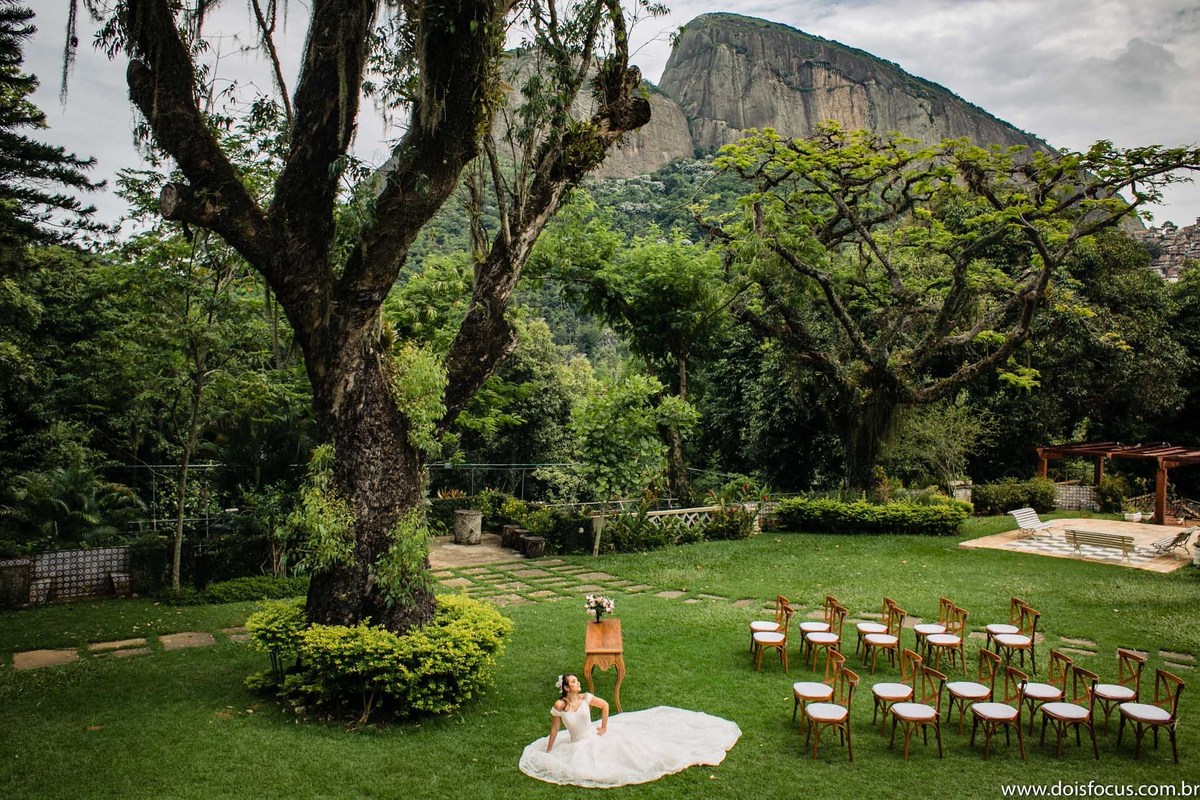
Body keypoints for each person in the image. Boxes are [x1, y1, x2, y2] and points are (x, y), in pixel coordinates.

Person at [518, 673, 741, 788]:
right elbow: (555, 728)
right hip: (575, 741)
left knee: (631, 754)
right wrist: (549, 749)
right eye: (574, 682)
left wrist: (604, 726)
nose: (578, 683)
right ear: (566, 687)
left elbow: (605, 706)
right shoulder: (560, 706)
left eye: (577, 681)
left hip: (593, 735)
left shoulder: (587, 698)